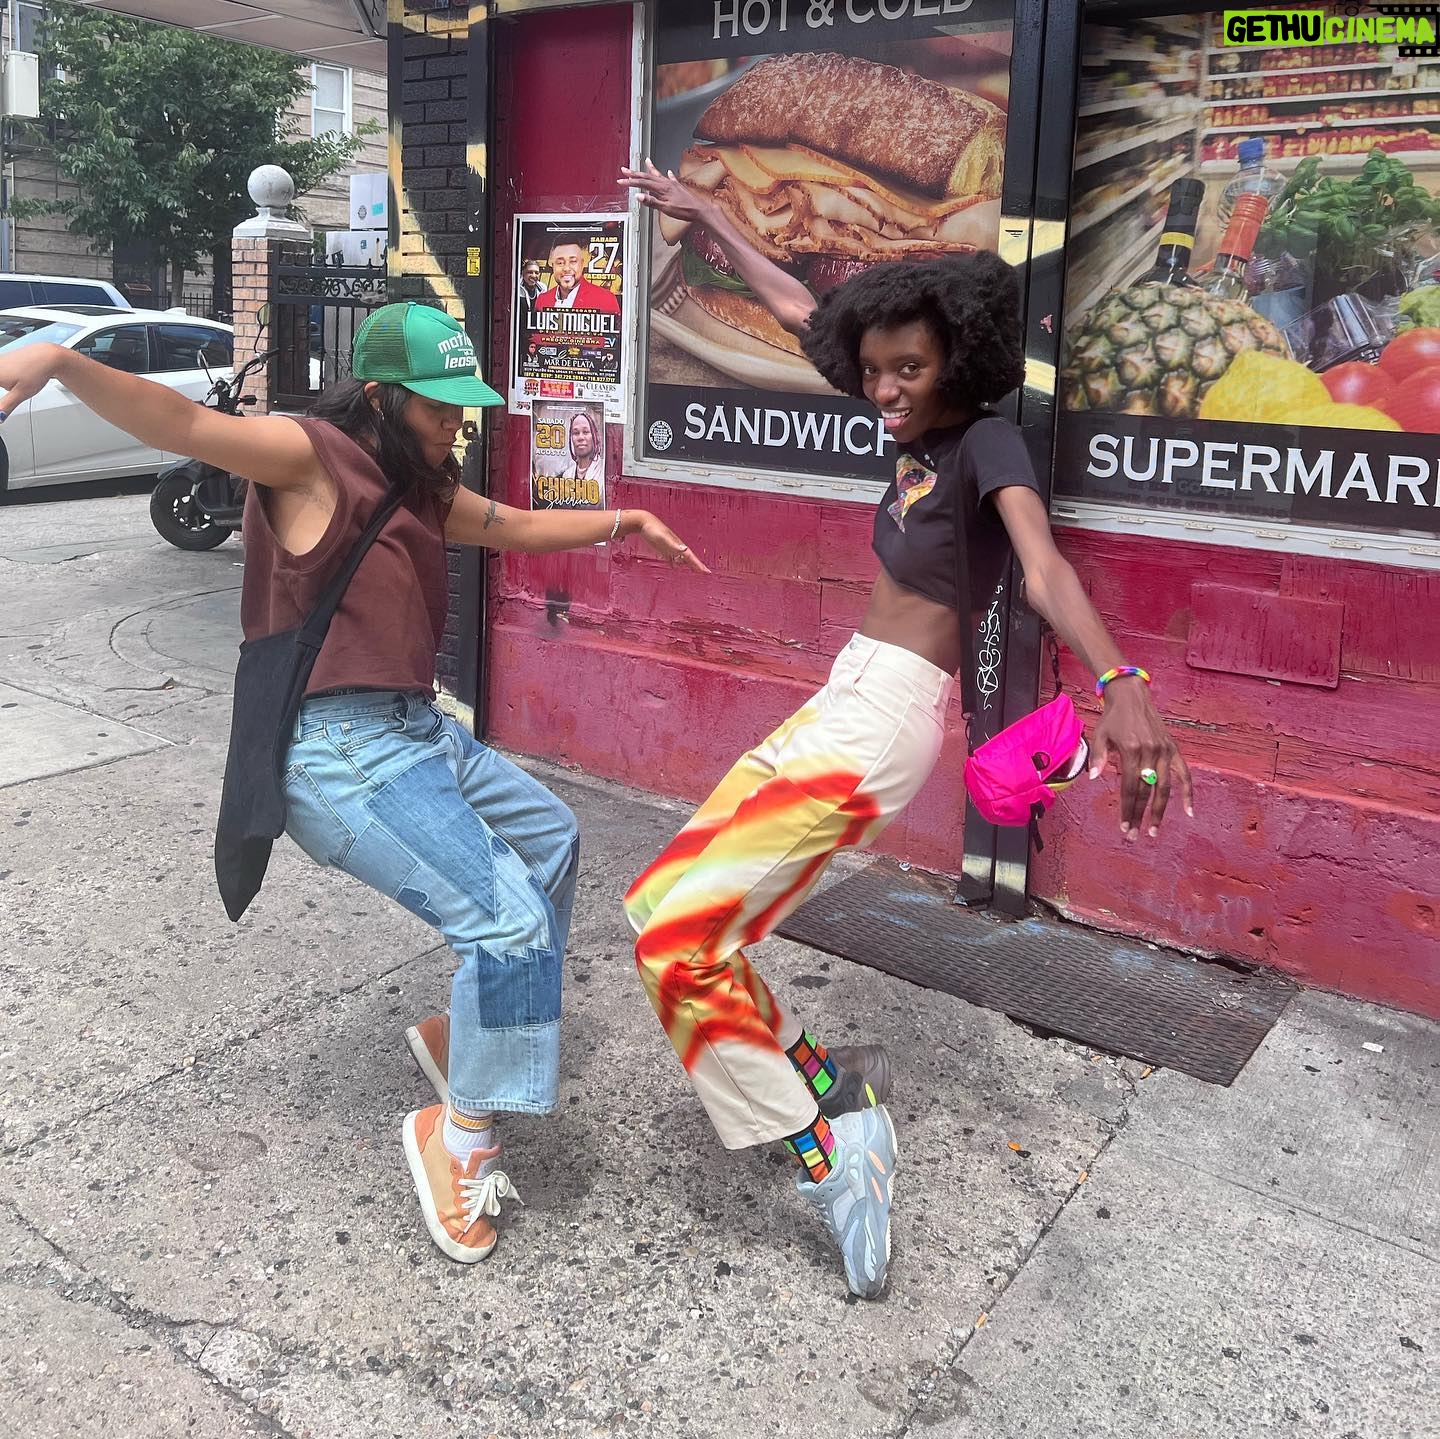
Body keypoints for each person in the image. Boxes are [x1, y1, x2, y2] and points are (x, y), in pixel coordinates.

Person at [0, 300, 706, 1266]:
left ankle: (473, 1036)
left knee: (550, 837)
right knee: (509, 921)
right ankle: (456, 1139)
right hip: (341, 752)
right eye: (436, 406)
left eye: (459, 406)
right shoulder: (311, 455)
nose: (453, 422)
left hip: (417, 730)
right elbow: (185, 425)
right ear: (380, 396)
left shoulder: (419, 485)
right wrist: (59, 363)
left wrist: (625, 519)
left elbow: (511, 524)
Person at [620, 160, 1193, 1299]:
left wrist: (1122, 676)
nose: (884, 388)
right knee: (659, 906)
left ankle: (833, 1154)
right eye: (875, 368)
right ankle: (820, 1074)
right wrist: (715, 217)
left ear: (957, 364)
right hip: (846, 694)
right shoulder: (911, 428)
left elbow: (1042, 566)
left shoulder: (985, 442)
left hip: (882, 722)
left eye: (909, 369)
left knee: (677, 947)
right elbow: (804, 309)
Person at [536, 237, 621, 315]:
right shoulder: (542, 300)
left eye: (573, 261)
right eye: (560, 263)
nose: (566, 268)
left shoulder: (606, 299)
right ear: (553, 266)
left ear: (582, 264)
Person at [558, 409, 603, 484]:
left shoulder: (604, 470)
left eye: (585, 432)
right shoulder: (567, 475)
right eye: (576, 433)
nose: (580, 438)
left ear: (594, 436)